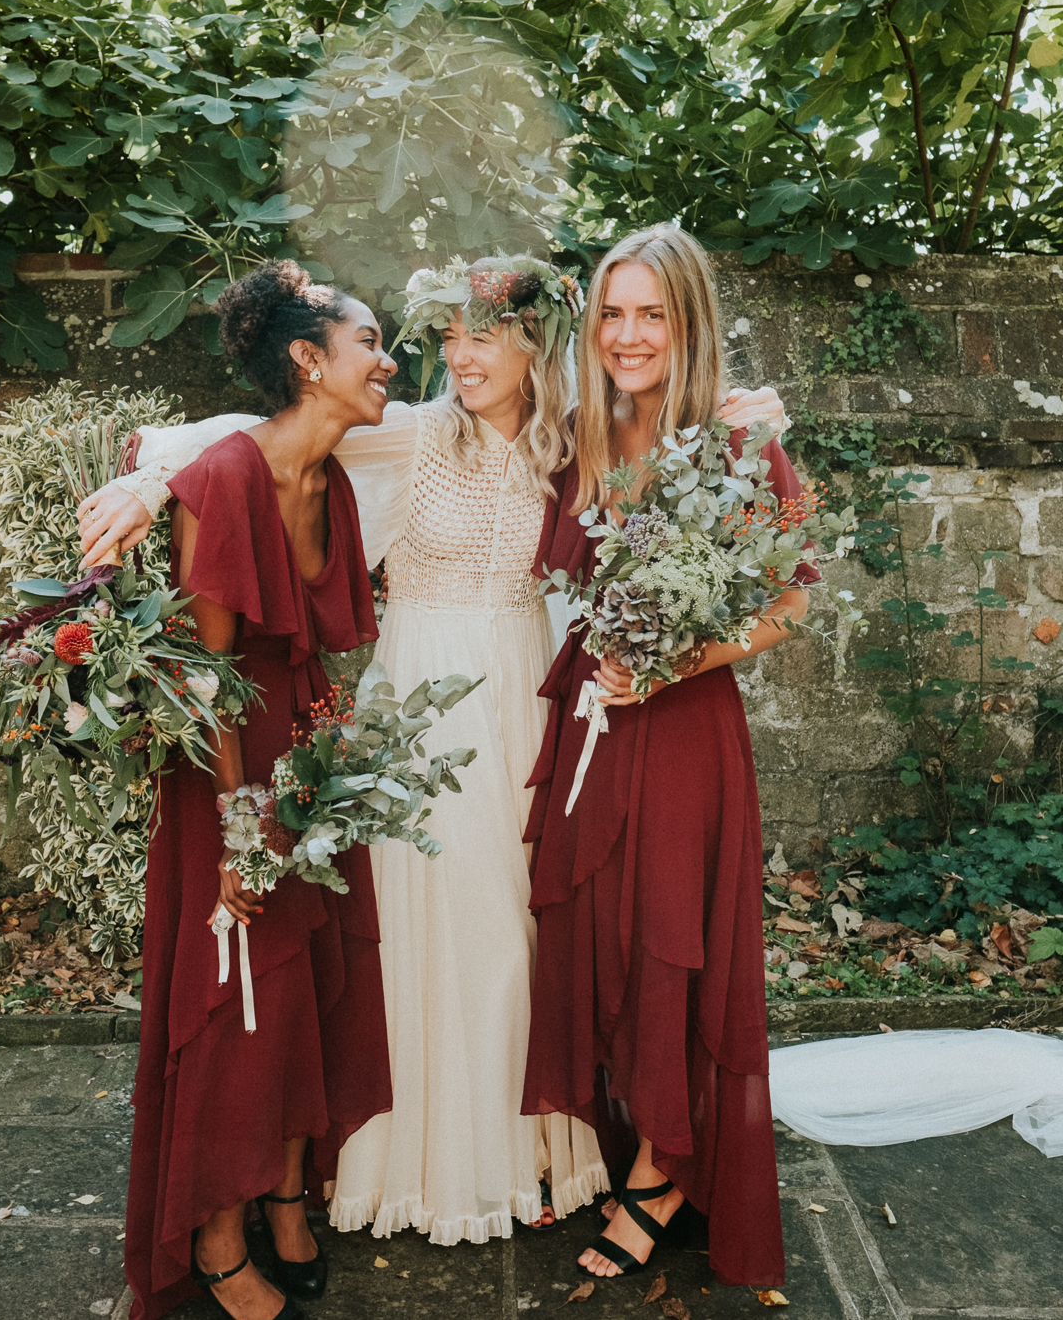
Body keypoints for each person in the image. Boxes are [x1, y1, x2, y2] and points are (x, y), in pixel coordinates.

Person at [79, 255, 788, 1249]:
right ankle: (412, 1162)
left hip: (529, 698)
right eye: (446, 336)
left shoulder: (571, 444)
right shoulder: (407, 435)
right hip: (418, 697)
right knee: (420, 921)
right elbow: (254, 437)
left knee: (524, 926)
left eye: (481, 335)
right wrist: (153, 483)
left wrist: (742, 416)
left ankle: (537, 1153)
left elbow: (673, 449)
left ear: (532, 343)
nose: (458, 355)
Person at [521, 224, 814, 1289]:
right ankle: (637, 1135)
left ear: (687, 324)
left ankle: (660, 1173)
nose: (628, 334)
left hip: (679, 728)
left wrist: (675, 666)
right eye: (611, 312)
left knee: (668, 948)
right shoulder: (582, 435)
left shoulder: (736, 440)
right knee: (600, 937)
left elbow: (787, 604)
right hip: (590, 724)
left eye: (651, 314)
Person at [123, 260, 392, 1320]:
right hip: (225, 766)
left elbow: (323, 652)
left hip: (305, 756)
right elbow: (202, 681)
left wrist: (328, 771)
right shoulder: (227, 479)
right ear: (307, 359)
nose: (387, 362)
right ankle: (218, 1237)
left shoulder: (334, 482)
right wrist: (244, 838)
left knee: (307, 987)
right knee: (241, 997)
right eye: (368, 342)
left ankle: (288, 1196)